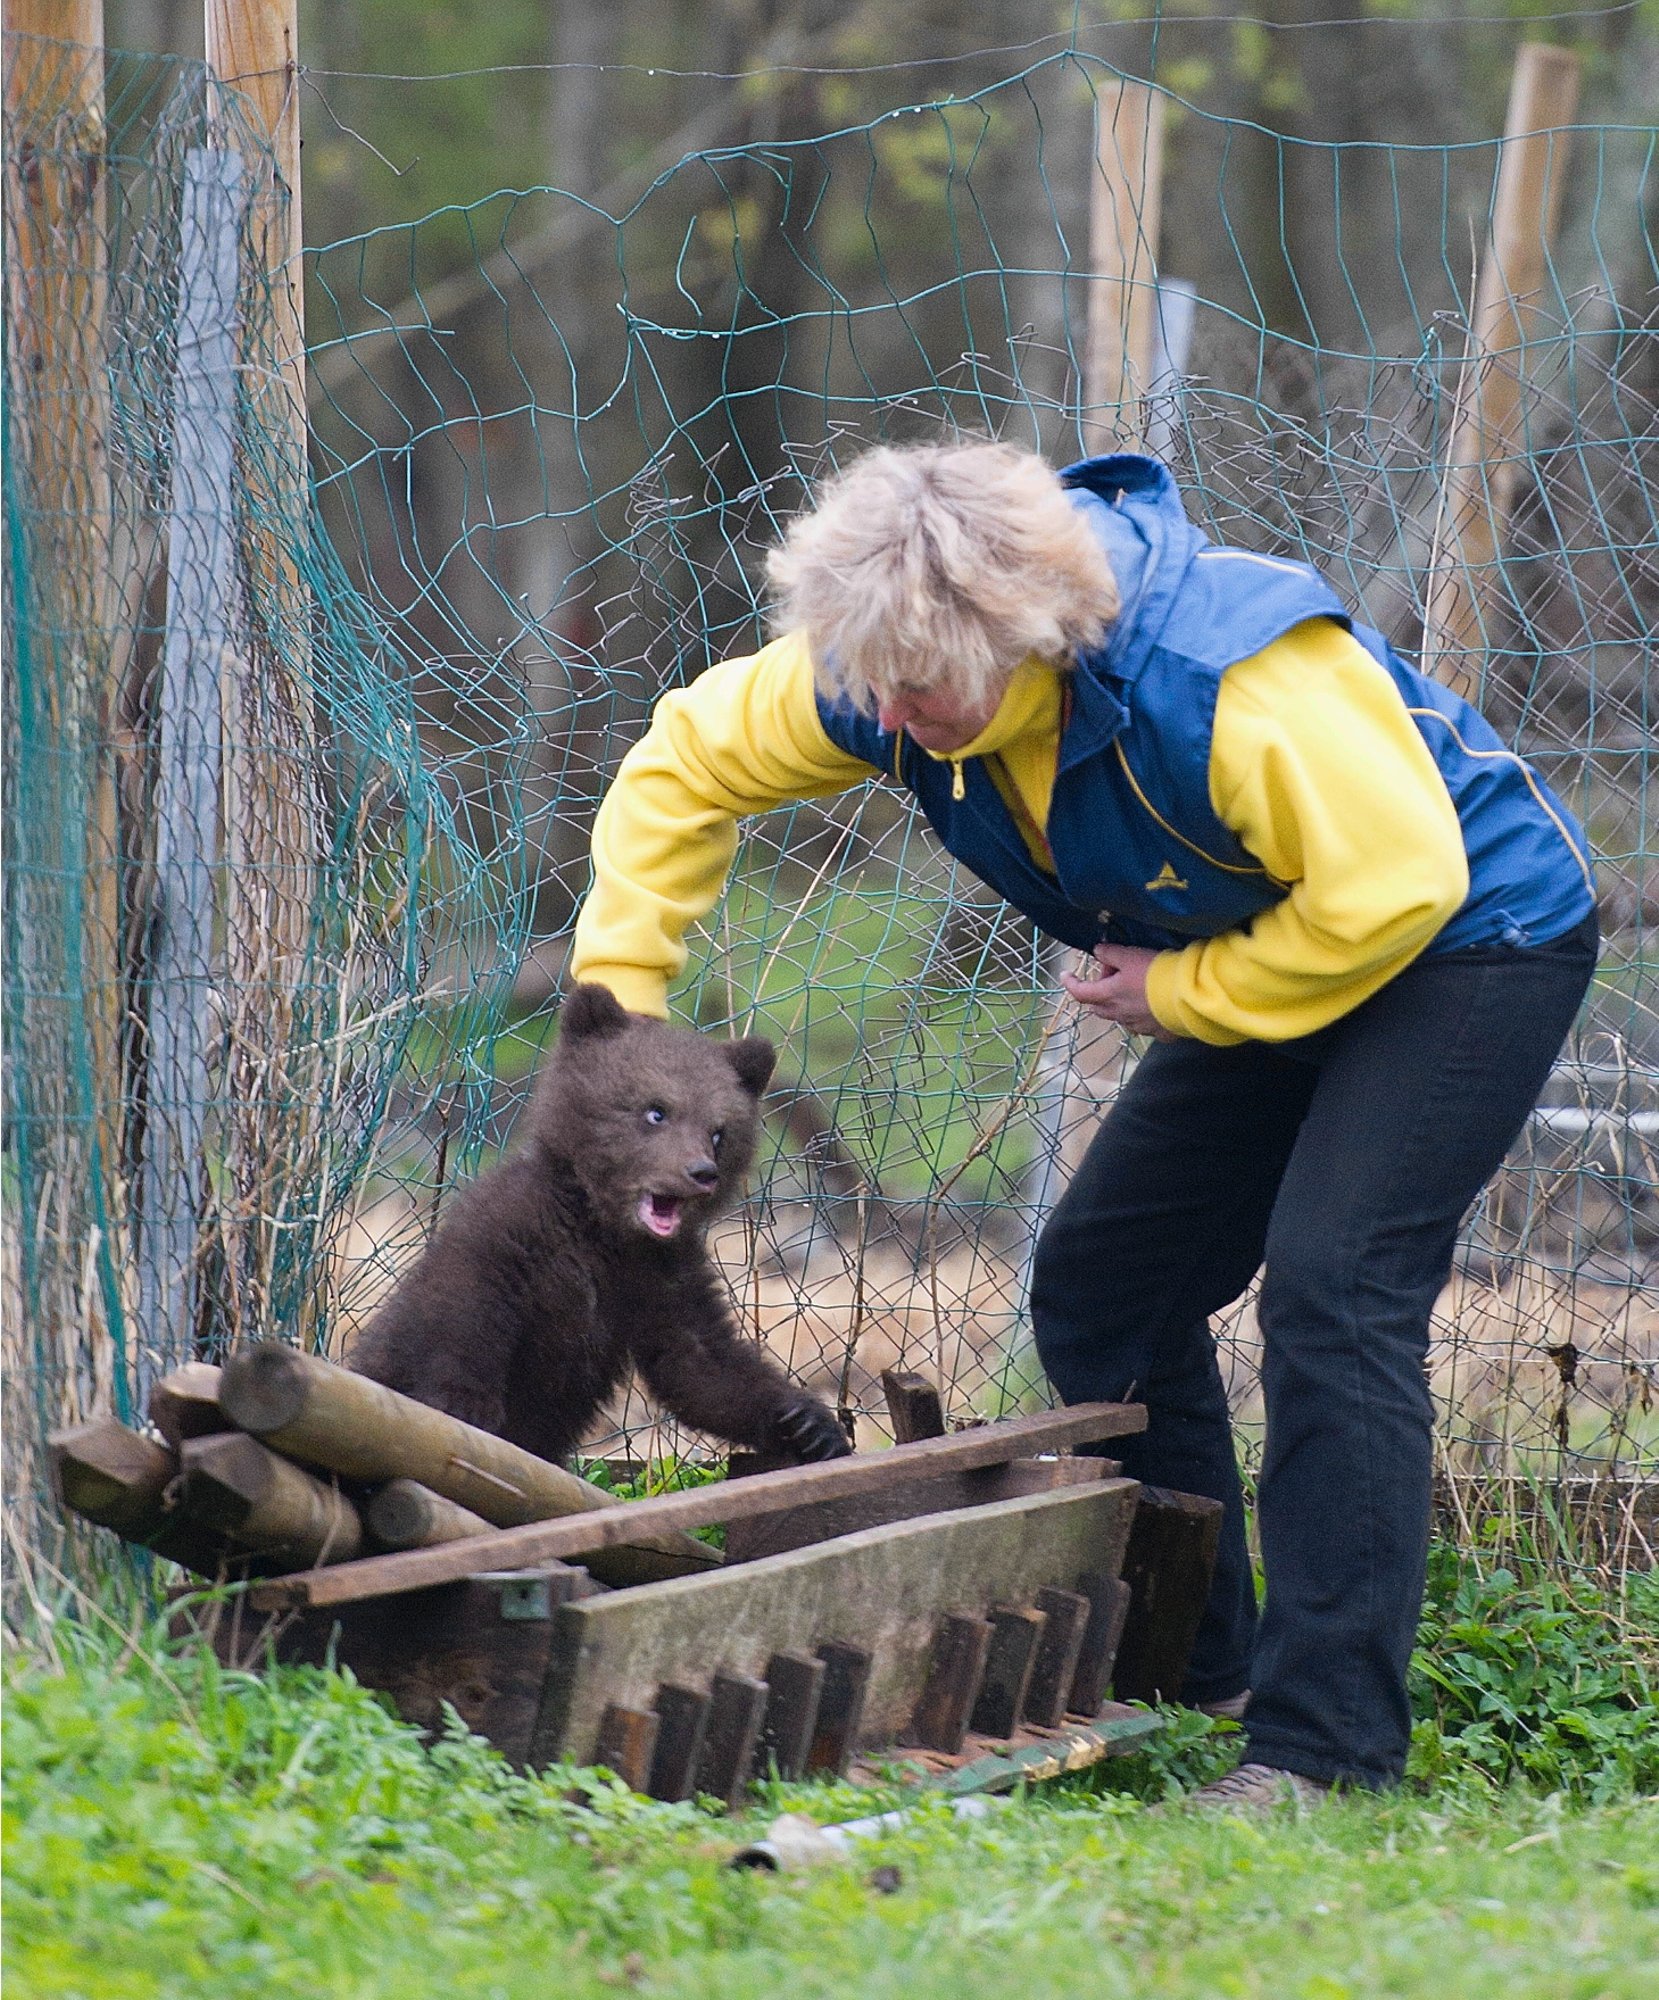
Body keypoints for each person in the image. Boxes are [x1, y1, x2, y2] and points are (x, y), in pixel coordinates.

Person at [568, 440, 1598, 1806]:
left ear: (1028, 635)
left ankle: (1325, 1751)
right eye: (872, 683)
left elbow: (1398, 886)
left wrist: (1187, 992)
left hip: (1468, 935)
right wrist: (622, 1025)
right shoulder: (889, 671)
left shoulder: (1221, 676)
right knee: (1107, 1289)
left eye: (922, 685)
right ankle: (1202, 1674)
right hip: (1269, 933)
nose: (894, 712)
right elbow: (684, 762)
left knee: (1338, 1285)